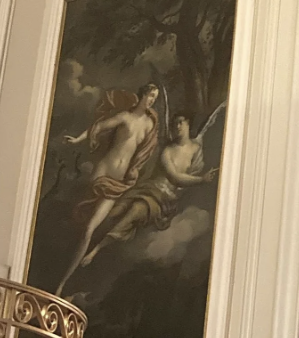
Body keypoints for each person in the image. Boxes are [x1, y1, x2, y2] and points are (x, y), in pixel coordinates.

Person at [76, 113, 217, 269]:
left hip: (163, 200)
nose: (177, 127)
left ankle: (95, 250)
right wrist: (201, 180)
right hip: (148, 189)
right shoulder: (167, 151)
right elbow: (175, 177)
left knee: (135, 210)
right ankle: (83, 242)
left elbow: (184, 179)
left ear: (188, 123)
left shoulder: (197, 150)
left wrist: (200, 180)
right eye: (175, 124)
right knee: (114, 212)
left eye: (181, 122)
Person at [56, 83, 160, 294]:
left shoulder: (149, 125)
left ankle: (62, 284)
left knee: (89, 229)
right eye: (150, 96)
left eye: (155, 98)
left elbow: (143, 154)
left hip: (119, 182)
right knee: (78, 222)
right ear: (142, 95)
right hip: (102, 172)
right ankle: (57, 273)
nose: (151, 101)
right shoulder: (125, 117)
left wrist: (135, 169)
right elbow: (98, 127)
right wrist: (77, 140)